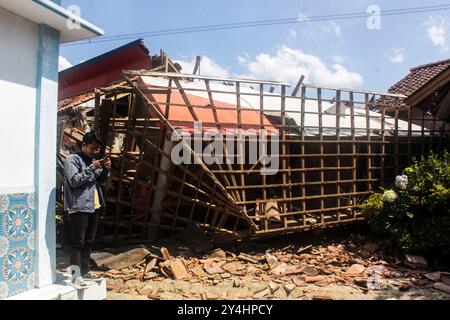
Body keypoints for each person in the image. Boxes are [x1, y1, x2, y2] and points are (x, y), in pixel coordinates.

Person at [63, 132, 111, 284]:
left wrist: (106, 169)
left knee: (89, 241)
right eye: (92, 148)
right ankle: (75, 277)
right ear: (84, 144)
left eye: (96, 149)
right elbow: (74, 181)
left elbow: (101, 181)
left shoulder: (92, 160)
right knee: (77, 242)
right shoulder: (72, 160)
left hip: (94, 206)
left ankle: (85, 272)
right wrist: (91, 168)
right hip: (78, 207)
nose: (94, 151)